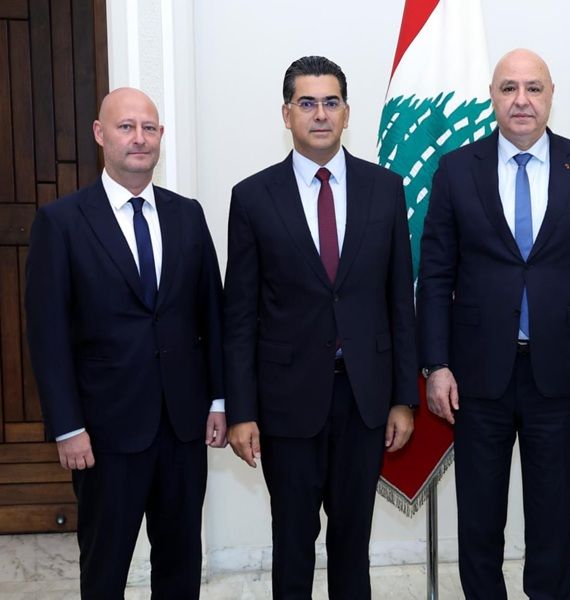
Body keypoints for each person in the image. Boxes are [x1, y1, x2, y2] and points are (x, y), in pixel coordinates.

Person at [416, 48, 570, 599]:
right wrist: (436, 364)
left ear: (551, 96)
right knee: (479, 519)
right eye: (509, 88)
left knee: (553, 518)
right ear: (493, 97)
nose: (522, 100)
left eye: (533, 88)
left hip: (560, 375)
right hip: (476, 377)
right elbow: (434, 276)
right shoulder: (457, 169)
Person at [224, 56, 417, 599]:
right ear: (286, 114)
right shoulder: (253, 197)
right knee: (293, 541)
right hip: (285, 401)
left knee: (353, 544)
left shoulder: (385, 189)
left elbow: (399, 302)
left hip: (364, 398)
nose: (320, 114)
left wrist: (403, 398)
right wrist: (241, 411)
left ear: (347, 113)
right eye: (306, 103)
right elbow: (238, 315)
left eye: (331, 102)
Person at [24, 87, 226, 599]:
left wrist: (219, 400)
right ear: (100, 134)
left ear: (161, 137)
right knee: (105, 567)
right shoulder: (62, 222)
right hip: (103, 434)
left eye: (149, 128)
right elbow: (48, 335)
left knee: (181, 564)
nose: (140, 138)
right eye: (126, 127)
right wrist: (67, 426)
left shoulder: (188, 215)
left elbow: (212, 314)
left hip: (183, 428)